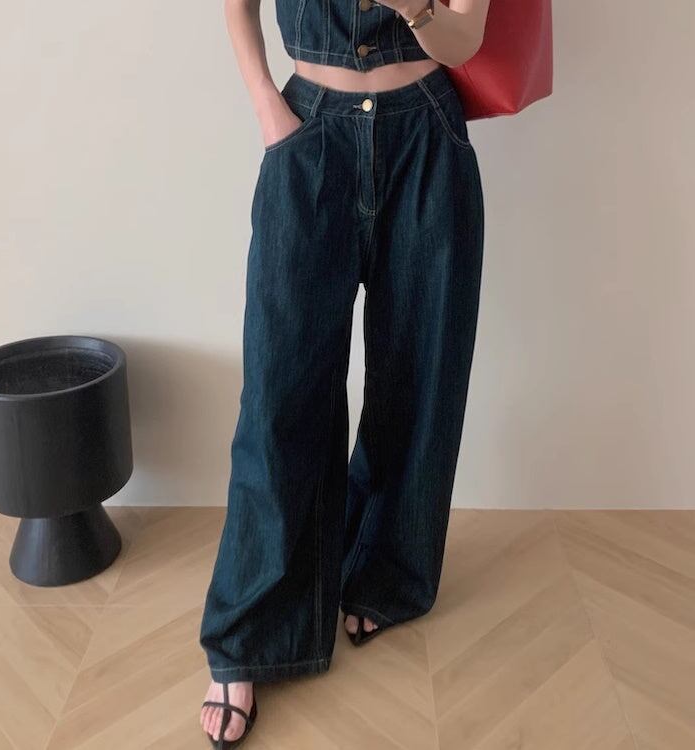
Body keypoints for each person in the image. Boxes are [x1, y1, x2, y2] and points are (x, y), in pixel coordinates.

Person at [199, 0, 491, 745]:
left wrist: (413, 4)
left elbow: (466, 39)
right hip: (308, 129)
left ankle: (384, 572)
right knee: (280, 392)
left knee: (418, 376)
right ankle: (249, 634)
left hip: (426, 134)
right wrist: (268, 107)